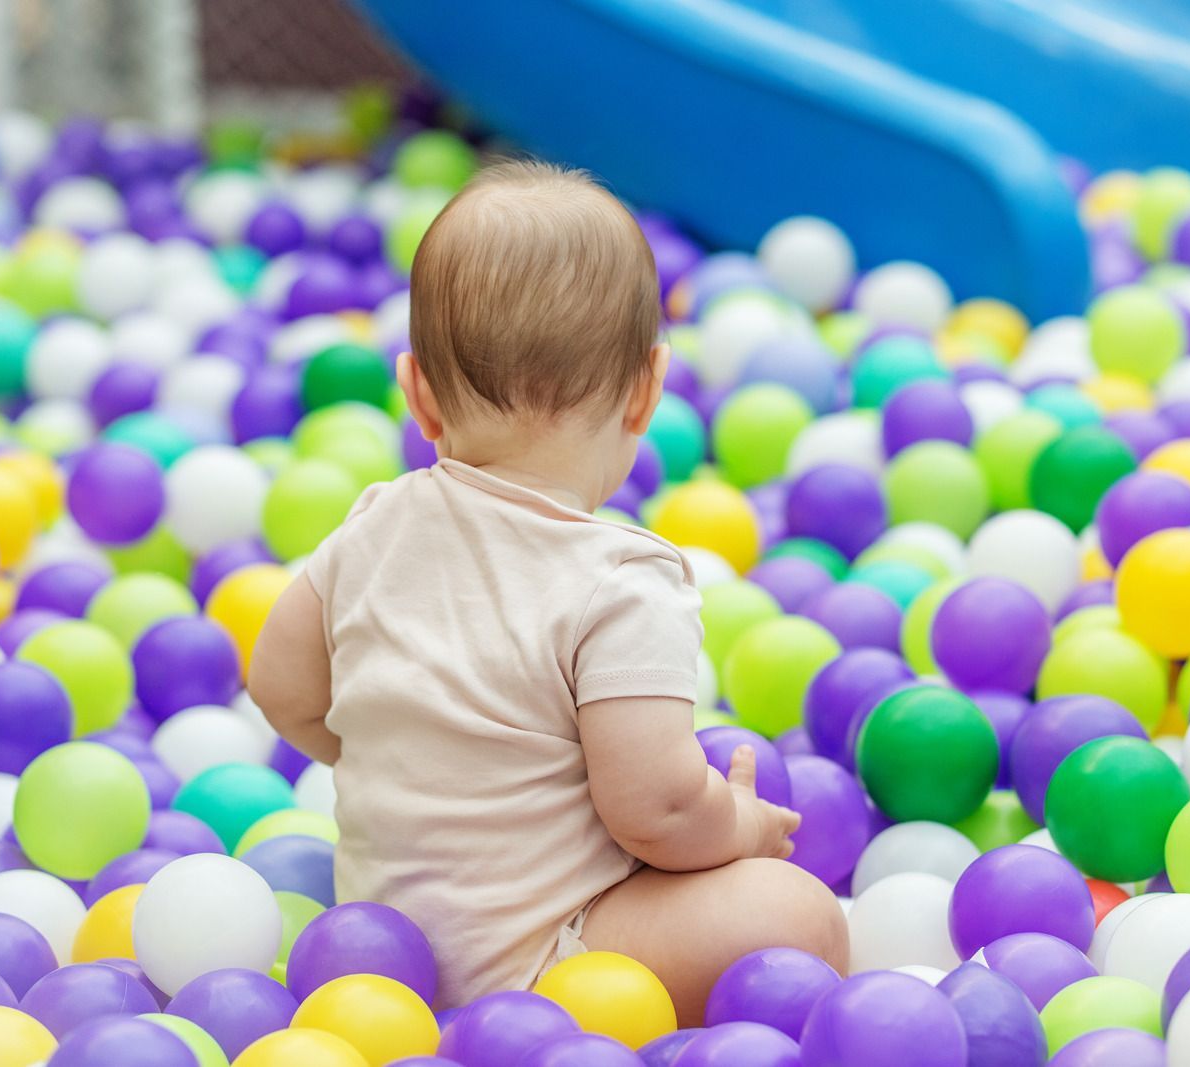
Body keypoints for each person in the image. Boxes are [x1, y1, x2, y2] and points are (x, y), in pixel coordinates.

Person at [248, 159, 848, 1023]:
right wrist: (743, 825)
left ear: (418, 394)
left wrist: (410, 752)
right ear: (647, 389)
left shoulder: (376, 523)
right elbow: (659, 807)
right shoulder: (621, 577)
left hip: (386, 964)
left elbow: (282, 684)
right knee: (798, 915)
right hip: (552, 965)